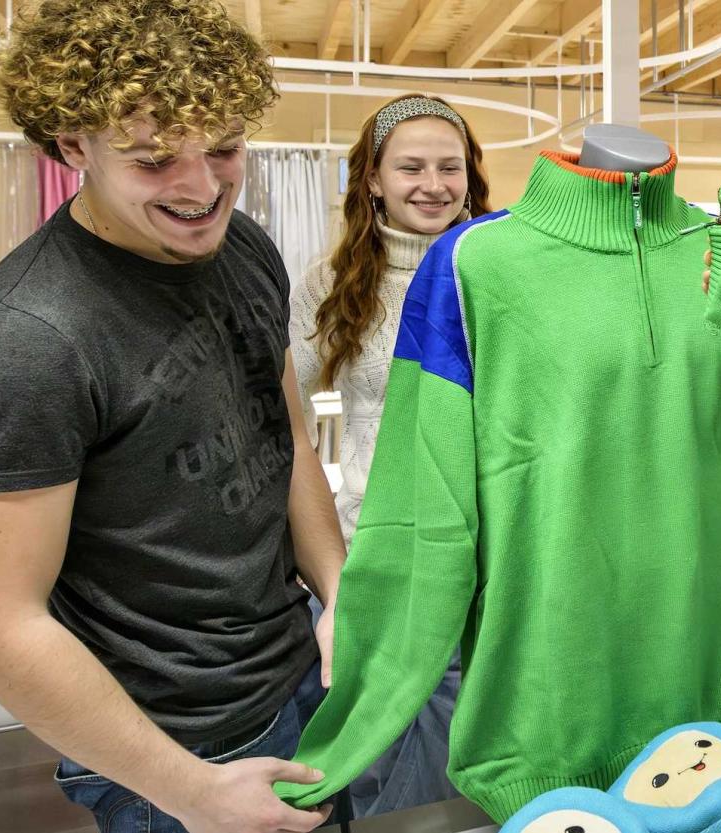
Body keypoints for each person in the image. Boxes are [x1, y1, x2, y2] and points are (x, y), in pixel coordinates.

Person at [0, 1, 345, 832]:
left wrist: (340, 591)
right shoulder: (24, 342)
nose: (200, 189)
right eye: (153, 160)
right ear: (72, 146)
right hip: (170, 746)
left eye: (224, 148)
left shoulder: (244, 246)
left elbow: (286, 433)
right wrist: (191, 792)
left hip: (296, 668)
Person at [290, 94, 490, 818]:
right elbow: (313, 412)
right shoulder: (330, 282)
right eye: (411, 167)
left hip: (463, 539)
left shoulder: (489, 269)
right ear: (372, 178)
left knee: (448, 707)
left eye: (450, 166)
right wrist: (337, 502)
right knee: (371, 717)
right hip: (360, 542)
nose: (433, 184)